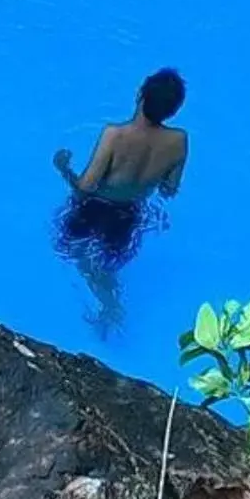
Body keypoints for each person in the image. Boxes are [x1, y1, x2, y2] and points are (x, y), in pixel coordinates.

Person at [51, 68, 189, 332]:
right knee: (106, 262)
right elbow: (169, 189)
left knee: (74, 253)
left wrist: (63, 168)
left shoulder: (114, 135)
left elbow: (84, 188)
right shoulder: (179, 141)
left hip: (92, 208)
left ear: (140, 95)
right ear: (174, 111)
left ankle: (108, 303)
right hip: (130, 214)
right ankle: (111, 302)